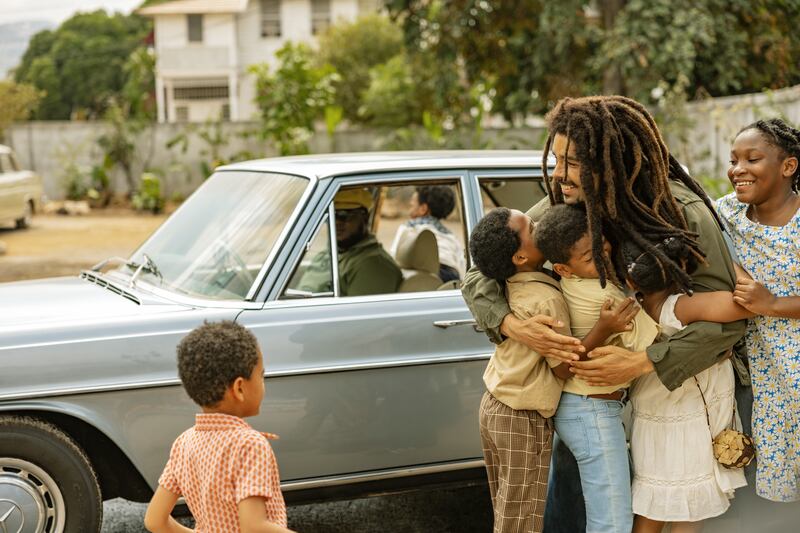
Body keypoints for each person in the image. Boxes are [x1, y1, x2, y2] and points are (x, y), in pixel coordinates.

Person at [461, 95, 747, 532]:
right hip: (584, 402)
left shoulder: (682, 212)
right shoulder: (568, 203)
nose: (557, 174)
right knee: (572, 506)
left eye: (571, 162)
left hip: (672, 393)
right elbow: (480, 271)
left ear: (611, 162)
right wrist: (514, 325)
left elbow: (729, 320)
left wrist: (643, 360)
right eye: (556, 159)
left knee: (663, 505)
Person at [535, 203, 659, 533]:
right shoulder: (604, 294)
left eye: (605, 249)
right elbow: (653, 342)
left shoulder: (565, 284)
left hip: (576, 407)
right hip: (593, 413)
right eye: (592, 259)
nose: (604, 260)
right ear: (563, 268)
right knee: (612, 520)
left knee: (578, 504)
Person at [621, 237, 751, 532]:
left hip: (652, 421)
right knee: (690, 511)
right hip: (689, 422)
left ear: (629, 279)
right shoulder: (680, 306)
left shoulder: (632, 308)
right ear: (681, 265)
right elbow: (746, 304)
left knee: (653, 505)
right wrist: (724, 261)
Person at [469, 207, 569, 533]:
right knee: (522, 519)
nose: (539, 224)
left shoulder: (508, 284)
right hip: (521, 417)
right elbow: (564, 367)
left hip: (494, 405)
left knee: (508, 511)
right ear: (520, 257)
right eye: (531, 226)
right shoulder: (546, 301)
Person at [716, 118, 800, 503]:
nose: (738, 170)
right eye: (734, 160)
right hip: (762, 381)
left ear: (788, 166)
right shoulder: (727, 215)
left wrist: (773, 304)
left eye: (752, 159)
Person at [144, 321, 293, 533]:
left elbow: (155, 520)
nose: (263, 382)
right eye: (261, 375)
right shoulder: (250, 445)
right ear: (240, 387)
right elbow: (253, 526)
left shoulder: (184, 442)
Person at [299, 188, 403, 296]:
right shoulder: (334, 252)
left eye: (344, 215)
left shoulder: (374, 266)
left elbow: (358, 312)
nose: (337, 222)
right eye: (331, 215)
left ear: (364, 218)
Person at [390, 185, 466, 282]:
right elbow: (462, 268)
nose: (410, 204)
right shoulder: (451, 236)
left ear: (423, 209)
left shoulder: (408, 228)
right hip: (450, 278)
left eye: (412, 204)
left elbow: (395, 257)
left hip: (420, 278)